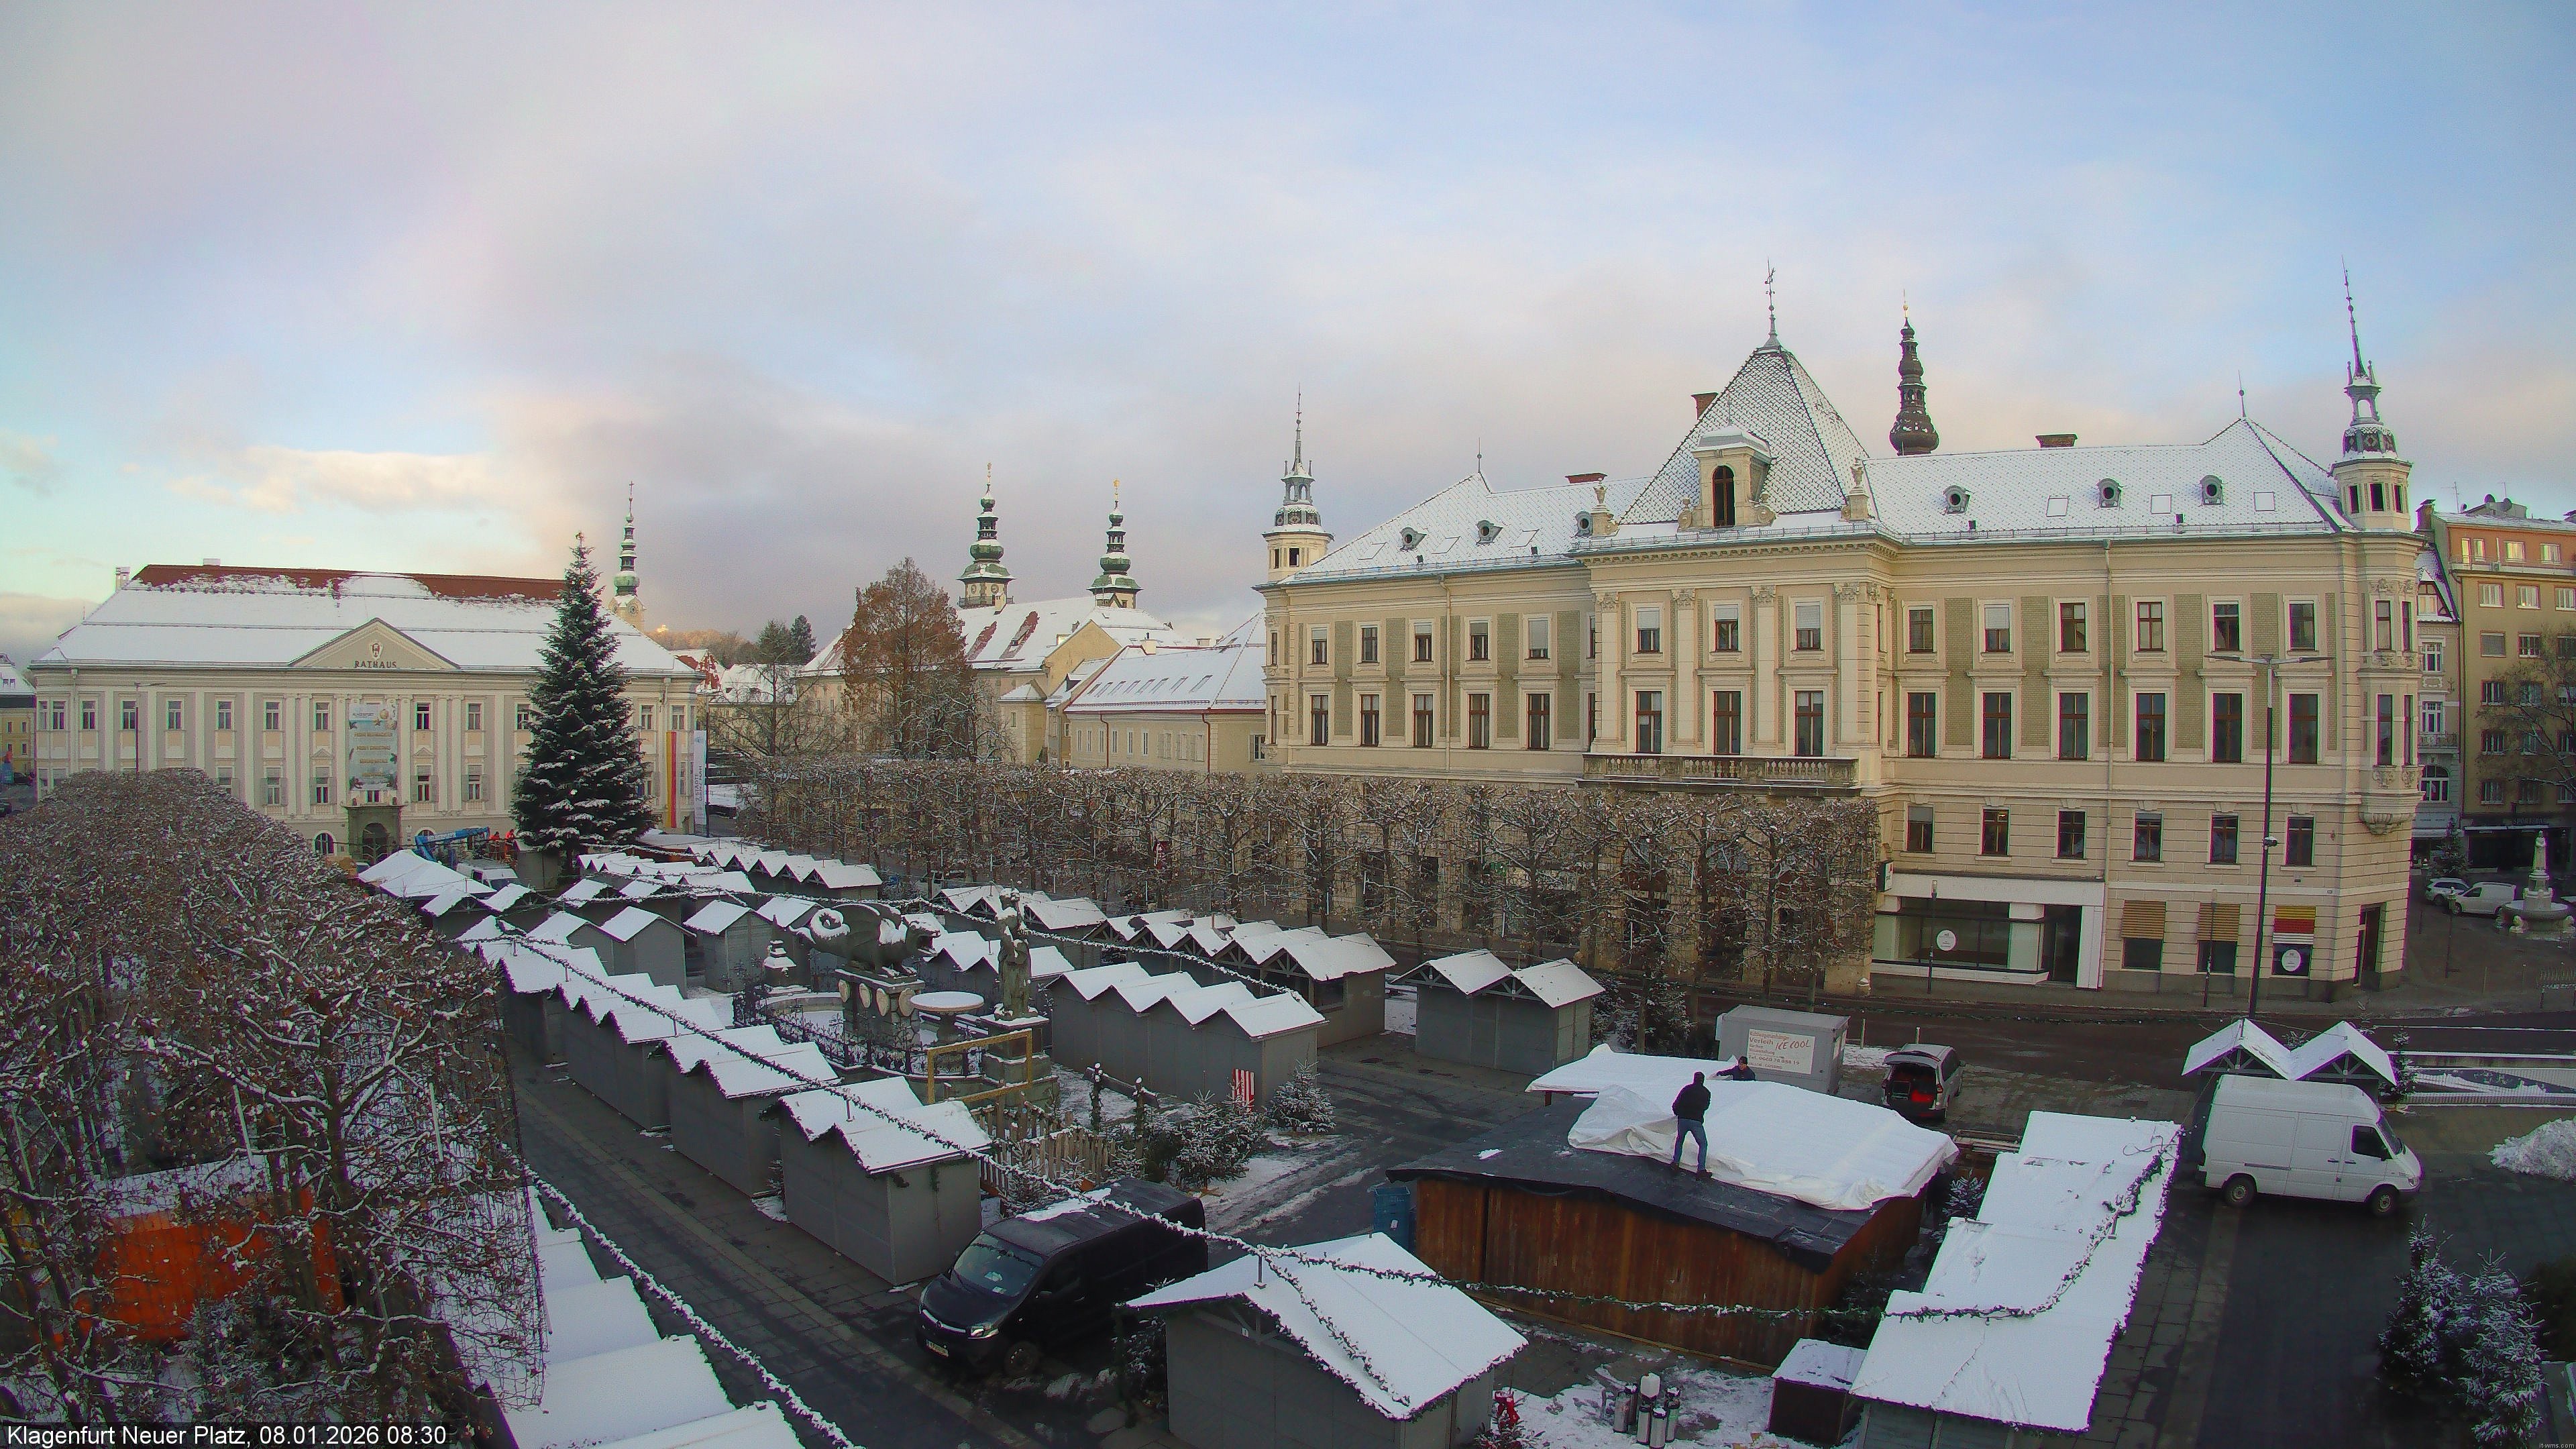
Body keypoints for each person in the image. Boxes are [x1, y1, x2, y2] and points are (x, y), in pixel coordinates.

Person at [1669, 1071, 1711, 1175]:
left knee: (1680, 1140)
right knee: (1703, 1144)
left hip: (1683, 1119)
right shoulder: (1706, 1092)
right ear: (1703, 1080)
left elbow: (1676, 1103)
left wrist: (1678, 1113)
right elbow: (1706, 1107)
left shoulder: (1686, 1089)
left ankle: (1676, 1163)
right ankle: (1701, 1169)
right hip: (1696, 1121)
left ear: (1694, 1079)